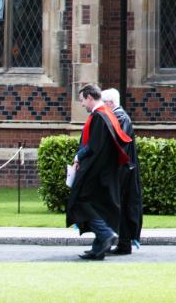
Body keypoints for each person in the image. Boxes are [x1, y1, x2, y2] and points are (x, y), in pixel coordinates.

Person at [66, 84, 132, 261]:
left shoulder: (100, 116)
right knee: (97, 205)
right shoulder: (107, 114)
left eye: (82, 100)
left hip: (97, 171)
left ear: (89, 97)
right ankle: (98, 247)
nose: (81, 104)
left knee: (81, 201)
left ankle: (105, 234)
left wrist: (79, 157)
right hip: (106, 172)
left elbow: (94, 146)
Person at [99, 88, 141, 256]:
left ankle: (121, 243)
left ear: (110, 103)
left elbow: (118, 144)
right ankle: (121, 243)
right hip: (122, 170)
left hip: (122, 171)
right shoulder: (119, 117)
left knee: (121, 205)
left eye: (103, 103)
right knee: (120, 205)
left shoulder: (120, 118)